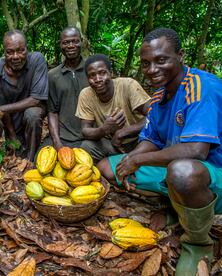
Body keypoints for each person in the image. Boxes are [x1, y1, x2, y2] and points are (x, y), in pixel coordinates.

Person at [97, 28, 222, 276]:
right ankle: (176, 209)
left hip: (210, 175)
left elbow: (196, 150)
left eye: (161, 60)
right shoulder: (157, 98)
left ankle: (198, 243)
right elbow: (151, 140)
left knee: (182, 171)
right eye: (146, 64)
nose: (152, 69)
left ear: (180, 55)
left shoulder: (200, 87)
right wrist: (132, 159)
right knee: (108, 167)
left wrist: (139, 159)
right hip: (175, 172)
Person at [75, 54, 151, 163]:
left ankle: (119, 164)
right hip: (112, 144)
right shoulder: (86, 94)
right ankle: (107, 168)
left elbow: (154, 115)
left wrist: (122, 133)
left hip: (138, 141)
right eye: (92, 75)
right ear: (87, 79)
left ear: (111, 73)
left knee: (153, 146)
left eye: (102, 73)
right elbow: (85, 130)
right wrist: (104, 129)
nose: (97, 79)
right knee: (86, 147)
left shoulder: (128, 85)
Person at [0, 29, 48, 161]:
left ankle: (31, 161)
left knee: (32, 115)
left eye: (21, 50)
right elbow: (2, 110)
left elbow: (36, 99)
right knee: (17, 150)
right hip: (13, 118)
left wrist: (2, 109)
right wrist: (12, 135)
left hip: (33, 110)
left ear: (27, 49)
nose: (16, 56)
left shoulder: (37, 60)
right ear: (4, 52)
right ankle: (20, 147)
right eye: (10, 52)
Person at [43, 26, 89, 150]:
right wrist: (57, 142)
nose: (70, 45)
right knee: (40, 162)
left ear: (82, 42)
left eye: (75, 41)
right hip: (63, 137)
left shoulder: (92, 70)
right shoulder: (53, 75)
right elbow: (52, 111)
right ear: (61, 45)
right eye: (66, 42)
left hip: (89, 136)